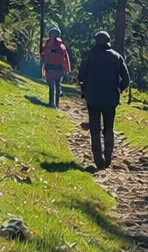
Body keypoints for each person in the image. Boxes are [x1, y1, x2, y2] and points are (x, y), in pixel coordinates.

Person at [77, 30, 129, 170]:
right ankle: (108, 156)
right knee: (109, 127)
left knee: (94, 128)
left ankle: (98, 159)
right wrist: (118, 89)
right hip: (110, 98)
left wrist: (85, 87)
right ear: (108, 41)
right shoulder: (117, 56)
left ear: (96, 41)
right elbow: (126, 79)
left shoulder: (89, 55)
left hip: (92, 98)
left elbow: (81, 75)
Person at [38, 28, 70, 107]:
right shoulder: (62, 45)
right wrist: (66, 67)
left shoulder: (49, 43)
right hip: (59, 67)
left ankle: (51, 102)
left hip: (50, 66)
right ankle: (56, 103)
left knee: (51, 84)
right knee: (57, 84)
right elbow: (66, 57)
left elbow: (45, 52)